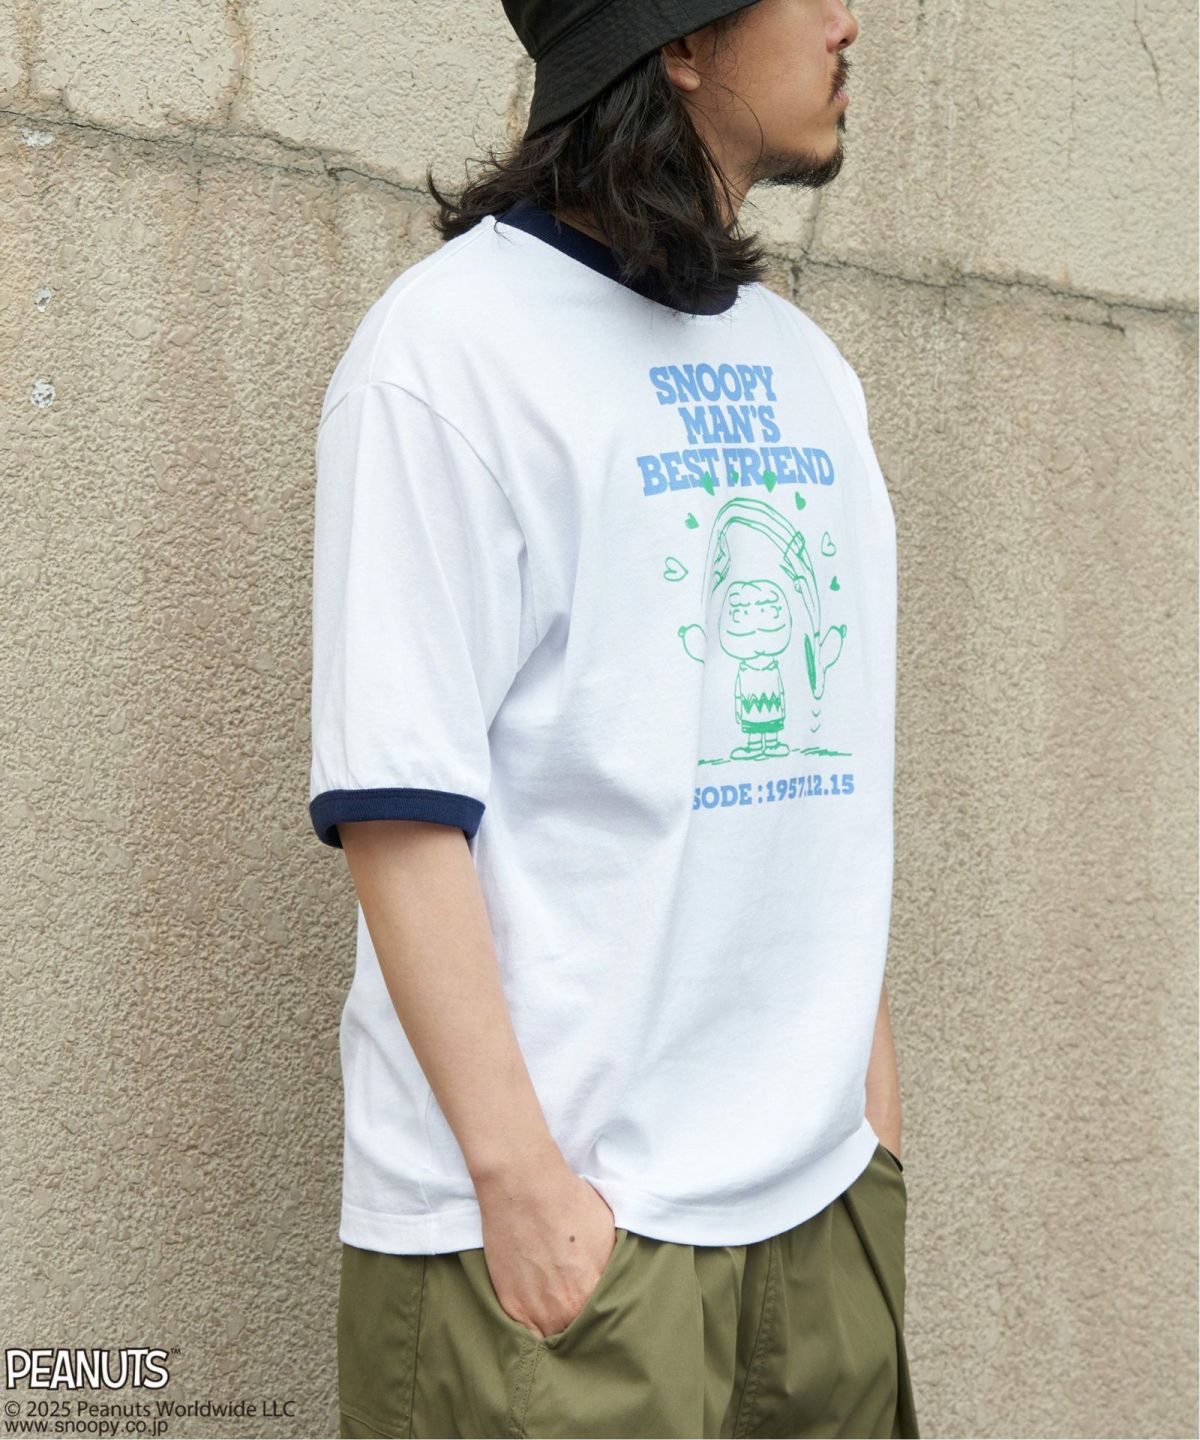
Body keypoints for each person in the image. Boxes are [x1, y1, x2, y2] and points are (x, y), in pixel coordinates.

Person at [308, 0, 920, 1434]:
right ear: (681, 45)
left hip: (819, 1215)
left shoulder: (806, 368)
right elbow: (397, 804)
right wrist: (523, 1189)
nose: (849, 23)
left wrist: (871, 1128)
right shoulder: (449, 353)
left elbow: (823, 782)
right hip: (564, 1247)